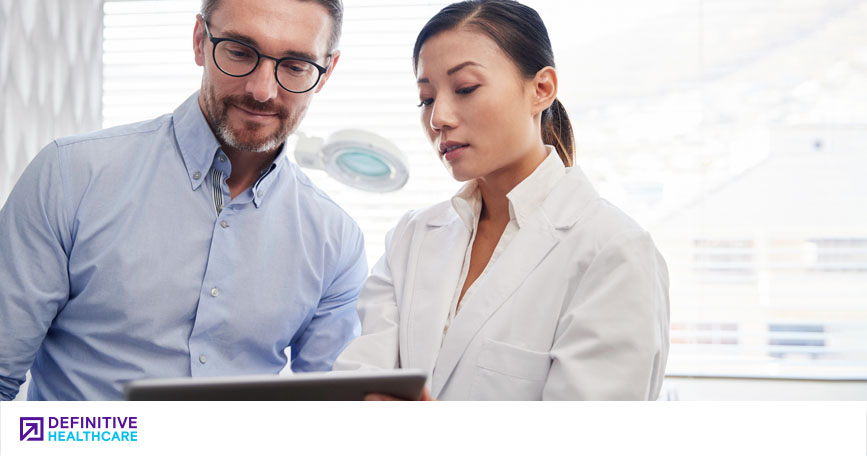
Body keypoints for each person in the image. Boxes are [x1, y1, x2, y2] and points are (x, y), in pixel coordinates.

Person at [0, 0, 367, 401]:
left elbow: (337, 413)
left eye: (296, 65)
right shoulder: (70, 175)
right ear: (199, 41)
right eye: (240, 52)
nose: (262, 90)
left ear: (325, 73)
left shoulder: (337, 239)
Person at [334, 0, 669, 400]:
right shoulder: (411, 237)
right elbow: (359, 389)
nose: (438, 117)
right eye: (426, 98)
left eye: (466, 88)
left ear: (541, 90)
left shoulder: (613, 252)